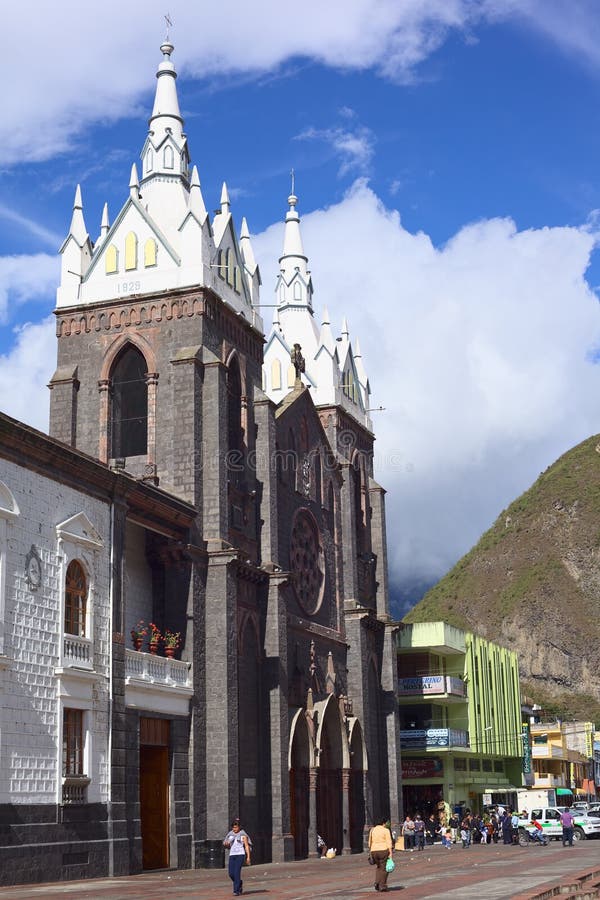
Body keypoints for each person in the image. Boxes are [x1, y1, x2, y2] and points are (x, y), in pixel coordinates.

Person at [223, 818, 251, 896]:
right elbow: (227, 844)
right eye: (233, 827)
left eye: (236, 827)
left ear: (239, 827)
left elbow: (246, 846)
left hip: (240, 855)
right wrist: (226, 844)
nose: (234, 829)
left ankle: (236, 891)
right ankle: (239, 882)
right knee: (231, 873)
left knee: (237, 872)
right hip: (232, 855)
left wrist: (248, 857)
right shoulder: (230, 834)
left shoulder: (243, 835)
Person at [368, 815, 393, 893]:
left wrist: (371, 851)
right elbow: (389, 842)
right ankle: (382, 885)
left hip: (374, 850)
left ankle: (377, 882)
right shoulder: (386, 830)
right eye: (385, 823)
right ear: (383, 823)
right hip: (383, 850)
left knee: (379, 867)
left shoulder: (372, 830)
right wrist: (391, 853)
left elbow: (369, 842)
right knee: (384, 868)